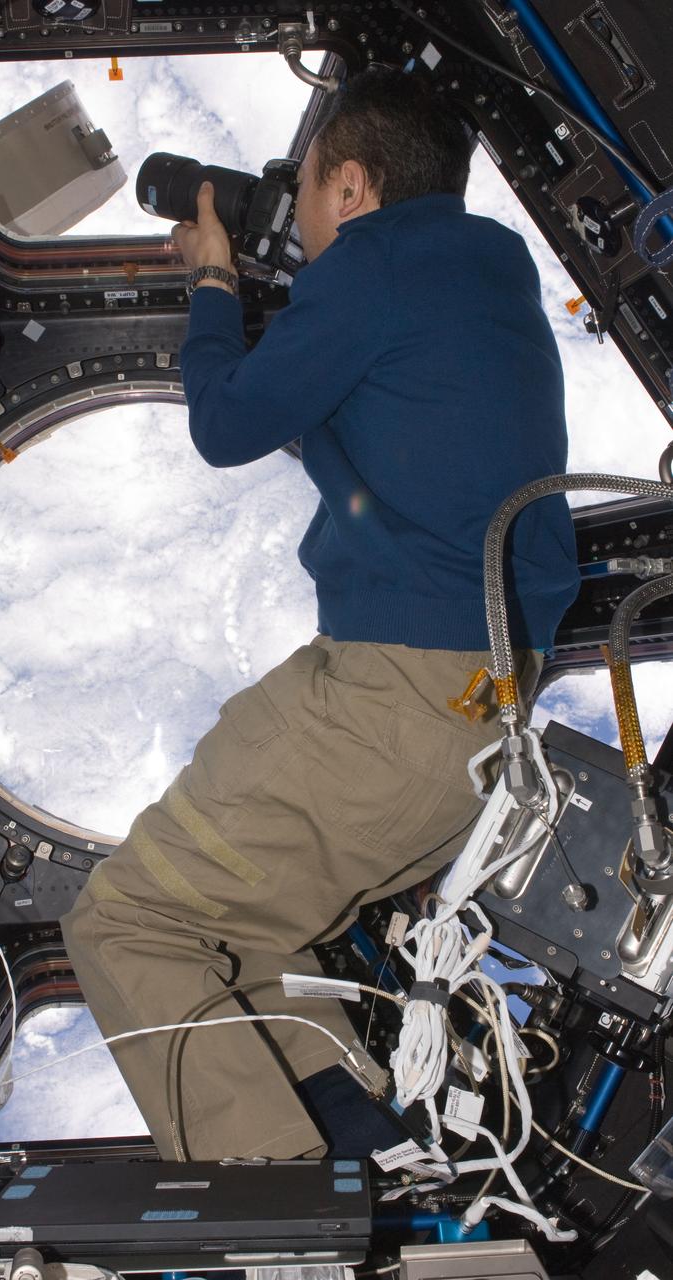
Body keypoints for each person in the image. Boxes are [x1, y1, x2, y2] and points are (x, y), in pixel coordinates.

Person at [60, 68, 579, 1161]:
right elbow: (383, 433)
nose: (291, 212)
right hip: (476, 720)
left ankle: (282, 1230)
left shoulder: (376, 266)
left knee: (131, 922)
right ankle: (361, 1171)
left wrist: (211, 286)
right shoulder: (488, 269)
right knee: (242, 938)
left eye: (300, 189)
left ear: (350, 184)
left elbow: (229, 424)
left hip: (392, 704)